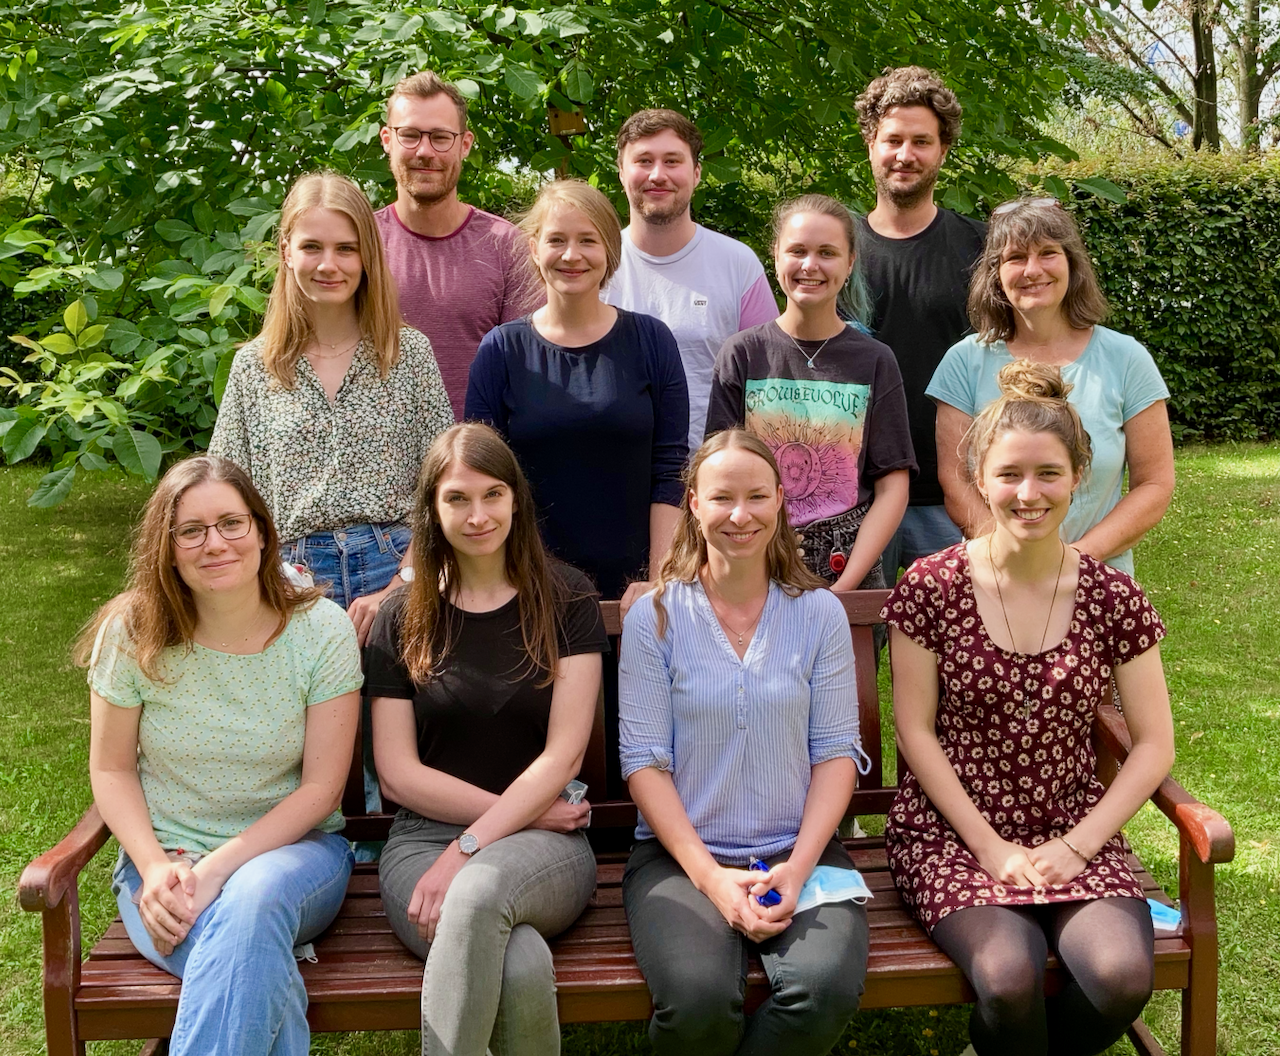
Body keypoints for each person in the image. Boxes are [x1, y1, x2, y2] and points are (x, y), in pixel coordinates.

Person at [882, 362, 1175, 1056]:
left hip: (1076, 826)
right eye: (1009, 474)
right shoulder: (932, 587)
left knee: (1121, 977)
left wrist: (1078, 847)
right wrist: (991, 847)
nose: (1028, 493)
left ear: (1078, 477)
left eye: (1048, 473)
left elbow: (1155, 744)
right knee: (1009, 978)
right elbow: (914, 730)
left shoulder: (1112, 598)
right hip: (953, 833)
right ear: (980, 478)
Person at [81, 455, 363, 1056]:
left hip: (296, 858)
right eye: (192, 530)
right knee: (252, 958)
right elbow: (110, 768)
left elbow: (320, 792)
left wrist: (214, 872)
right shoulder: (133, 631)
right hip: (164, 871)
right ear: (169, 546)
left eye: (232, 523)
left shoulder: (321, 630)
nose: (216, 544)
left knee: (252, 897)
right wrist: (156, 868)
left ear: (262, 531)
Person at [619, 428, 871, 1055]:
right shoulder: (655, 617)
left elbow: (837, 752)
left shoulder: (818, 615)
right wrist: (712, 882)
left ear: (781, 500)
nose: (740, 514)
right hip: (681, 859)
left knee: (819, 989)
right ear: (694, 505)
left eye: (757, 496)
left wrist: (800, 866)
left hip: (799, 849)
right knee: (699, 999)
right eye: (722, 497)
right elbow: (644, 763)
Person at [365, 422, 607, 1056]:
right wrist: (468, 839)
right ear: (431, 508)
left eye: (492, 495)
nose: (478, 516)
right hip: (424, 843)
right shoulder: (402, 615)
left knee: (475, 894)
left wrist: (470, 848)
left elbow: (564, 754)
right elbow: (396, 773)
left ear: (516, 500)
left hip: (544, 845)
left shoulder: (567, 599)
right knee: (520, 962)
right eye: (457, 499)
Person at [210, 170, 454, 645]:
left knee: (395, 719)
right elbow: (223, 497)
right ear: (286, 252)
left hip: (396, 569)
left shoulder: (409, 355)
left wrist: (405, 583)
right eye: (311, 247)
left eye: (346, 248)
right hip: (289, 581)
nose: (329, 264)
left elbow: (445, 486)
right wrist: (265, 582)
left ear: (368, 255)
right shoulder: (254, 368)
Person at [465, 178, 689, 607]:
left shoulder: (651, 341)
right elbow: (482, 479)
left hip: (637, 595)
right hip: (528, 592)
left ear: (609, 251)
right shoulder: (501, 350)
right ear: (534, 249)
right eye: (556, 240)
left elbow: (670, 468)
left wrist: (659, 580)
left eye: (588, 240)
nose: (572, 255)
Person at [929, 197, 1175, 576]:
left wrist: (1074, 559)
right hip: (995, 576)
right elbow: (956, 479)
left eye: (1047, 253)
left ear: (1071, 264)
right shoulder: (963, 362)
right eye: (1015, 258)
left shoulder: (1126, 359)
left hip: (1098, 577)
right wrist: (1017, 559)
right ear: (995, 273)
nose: (1032, 270)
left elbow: (1155, 484)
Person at [706, 194, 915, 590]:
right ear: (776, 256)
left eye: (827, 253)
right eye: (797, 251)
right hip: (754, 563)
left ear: (850, 262)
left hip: (850, 566)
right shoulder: (743, 354)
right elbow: (717, 477)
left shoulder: (875, 360)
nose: (810, 265)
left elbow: (892, 486)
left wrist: (844, 589)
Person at [853, 66, 986, 578]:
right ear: (870, 143)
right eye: (892, 140)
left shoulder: (983, 248)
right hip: (856, 496)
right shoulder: (834, 255)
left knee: (958, 650)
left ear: (943, 150)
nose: (905, 155)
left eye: (921, 141)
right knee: (856, 649)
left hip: (956, 495)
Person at [603, 108, 778, 452]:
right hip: (614, 472)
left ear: (697, 173)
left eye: (672, 161)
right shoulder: (594, 266)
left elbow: (769, 383)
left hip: (718, 483)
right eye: (643, 161)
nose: (657, 175)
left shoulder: (738, 264)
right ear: (621, 172)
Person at [376, 70, 543, 417]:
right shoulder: (359, 244)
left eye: (440, 137)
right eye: (409, 135)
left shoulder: (505, 246)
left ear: (464, 144)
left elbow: (530, 372)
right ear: (387, 140)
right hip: (378, 459)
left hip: (476, 461)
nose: (425, 151)